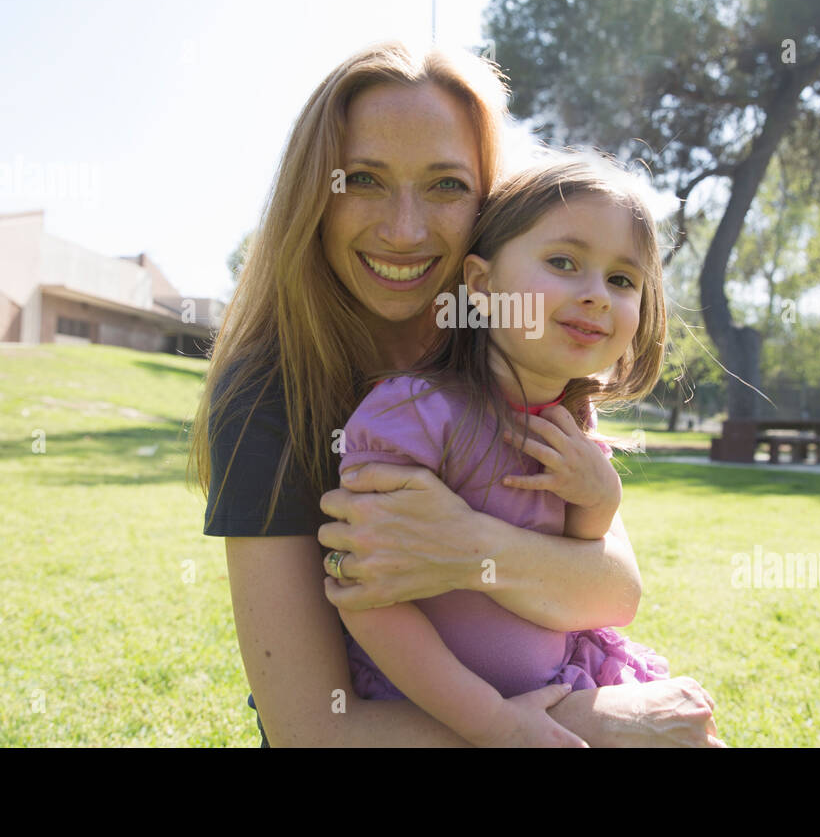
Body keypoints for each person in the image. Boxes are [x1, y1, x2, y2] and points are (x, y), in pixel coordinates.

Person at [189, 40, 722, 746]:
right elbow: (311, 728)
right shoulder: (268, 394)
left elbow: (612, 592)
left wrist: (466, 546)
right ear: (315, 195)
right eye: (364, 180)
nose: (405, 229)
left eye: (445, 185)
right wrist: (586, 723)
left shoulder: (513, 353)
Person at [337, 154, 721, 747]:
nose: (596, 294)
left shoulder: (573, 422)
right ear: (483, 285)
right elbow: (365, 594)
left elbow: (591, 579)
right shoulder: (413, 411)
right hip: (434, 708)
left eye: (623, 280)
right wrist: (489, 721)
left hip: (563, 682)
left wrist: (599, 497)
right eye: (564, 263)